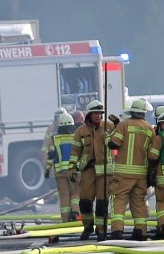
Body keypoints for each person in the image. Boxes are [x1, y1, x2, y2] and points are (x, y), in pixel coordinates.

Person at [105, 99, 154, 240]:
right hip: (141, 174)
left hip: (123, 173)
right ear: (144, 112)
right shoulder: (149, 128)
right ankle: (141, 232)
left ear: (132, 111)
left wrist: (108, 136)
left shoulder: (124, 124)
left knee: (118, 200)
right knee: (138, 202)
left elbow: (113, 144)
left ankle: (117, 231)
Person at [69, 100, 114, 241]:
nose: (98, 116)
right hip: (88, 169)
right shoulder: (80, 132)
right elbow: (75, 151)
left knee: (102, 203)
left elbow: (121, 137)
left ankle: (101, 231)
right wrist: (72, 168)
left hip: (105, 171)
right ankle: (88, 227)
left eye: (100, 114)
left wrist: (118, 123)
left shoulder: (109, 127)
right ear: (89, 115)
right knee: (85, 201)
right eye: (95, 113)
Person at [45, 112, 78, 224]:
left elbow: (50, 155)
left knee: (64, 195)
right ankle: (75, 213)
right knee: (75, 193)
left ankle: (65, 221)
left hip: (60, 173)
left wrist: (47, 169)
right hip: (74, 171)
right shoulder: (76, 137)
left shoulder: (55, 138)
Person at [147, 112, 164, 239]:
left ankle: (162, 228)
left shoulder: (159, 138)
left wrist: (151, 171)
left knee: (161, 203)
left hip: (162, 178)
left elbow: (152, 156)